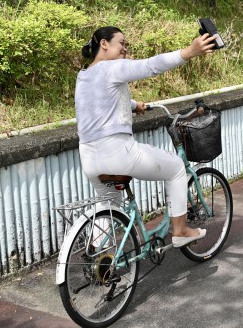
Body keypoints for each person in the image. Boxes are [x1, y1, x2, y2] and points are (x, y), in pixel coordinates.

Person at [75, 26, 218, 246]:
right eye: (121, 43)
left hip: (89, 158)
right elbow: (151, 65)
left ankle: (97, 256)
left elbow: (101, 99)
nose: (125, 49)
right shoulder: (111, 68)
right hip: (117, 152)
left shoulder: (84, 76)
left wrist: (134, 105)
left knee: (109, 204)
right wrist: (189, 51)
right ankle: (180, 231)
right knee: (177, 169)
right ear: (104, 44)